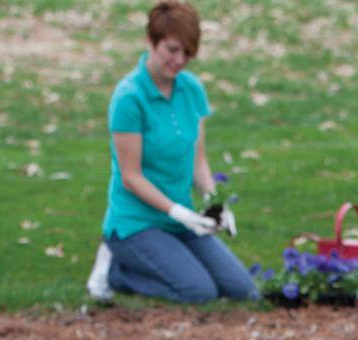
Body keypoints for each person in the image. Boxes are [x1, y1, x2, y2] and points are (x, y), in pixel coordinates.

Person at [86, 1, 258, 304]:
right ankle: (114, 270)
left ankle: (168, 254)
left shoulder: (191, 89)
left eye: (187, 53)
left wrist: (213, 203)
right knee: (199, 291)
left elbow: (198, 161)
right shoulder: (130, 97)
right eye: (172, 50)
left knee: (241, 289)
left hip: (182, 219)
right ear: (150, 42)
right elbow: (130, 177)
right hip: (135, 224)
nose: (179, 60)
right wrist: (176, 211)